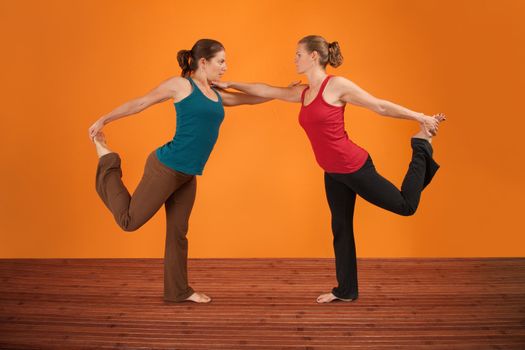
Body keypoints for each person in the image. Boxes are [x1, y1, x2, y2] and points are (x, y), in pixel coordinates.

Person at [213, 35, 446, 304]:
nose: (294, 59)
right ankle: (346, 291)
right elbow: (268, 90)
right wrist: (229, 84)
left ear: (314, 56)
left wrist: (420, 118)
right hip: (333, 172)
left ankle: (420, 144)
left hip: (354, 166)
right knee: (341, 229)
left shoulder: (336, 86)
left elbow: (379, 105)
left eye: (298, 54)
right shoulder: (304, 92)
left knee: (406, 206)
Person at [88, 39, 271, 303]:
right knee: (129, 221)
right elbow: (142, 102)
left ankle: (178, 291)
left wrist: (281, 93)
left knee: (178, 233)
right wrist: (105, 119)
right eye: (221, 62)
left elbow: (252, 99)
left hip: (187, 175)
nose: (225, 67)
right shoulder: (181, 85)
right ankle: (108, 160)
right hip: (165, 168)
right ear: (203, 62)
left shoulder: (217, 94)